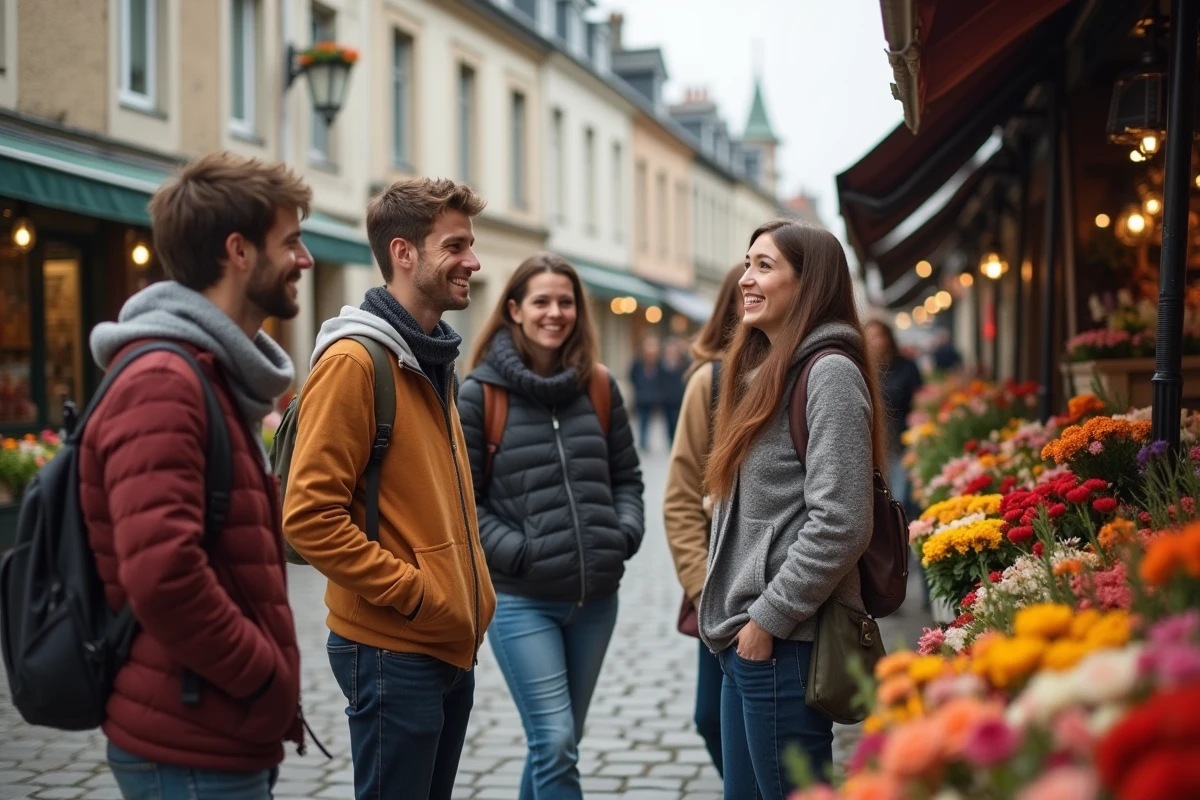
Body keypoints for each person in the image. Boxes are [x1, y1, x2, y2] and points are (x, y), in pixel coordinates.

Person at [82, 151, 311, 799]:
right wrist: (264, 678)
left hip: (212, 731)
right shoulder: (164, 381)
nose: (305, 259)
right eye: (290, 242)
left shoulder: (212, 375)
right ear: (238, 252)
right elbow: (163, 575)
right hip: (187, 741)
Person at [282, 178, 497, 800]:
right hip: (392, 648)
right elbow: (308, 516)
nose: (473, 262)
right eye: (455, 246)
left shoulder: (432, 357)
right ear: (404, 253)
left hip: (447, 643)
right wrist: (413, 594)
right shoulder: (356, 363)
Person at [699, 220, 886, 797]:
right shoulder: (764, 369)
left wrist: (769, 619)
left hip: (786, 641)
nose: (746, 280)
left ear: (809, 284)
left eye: (764, 266)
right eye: (747, 263)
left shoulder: (827, 373)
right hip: (745, 636)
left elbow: (843, 521)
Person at [457, 253, 644, 800]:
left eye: (565, 302)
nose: (554, 313)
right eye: (541, 301)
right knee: (557, 739)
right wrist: (518, 552)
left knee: (557, 742)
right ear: (514, 309)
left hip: (594, 599)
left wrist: (623, 535)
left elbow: (627, 479)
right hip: (522, 599)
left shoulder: (601, 387)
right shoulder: (480, 394)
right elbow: (465, 504)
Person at [663, 263, 745, 776]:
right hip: (719, 589)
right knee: (711, 718)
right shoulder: (710, 383)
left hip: (784, 599)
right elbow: (679, 499)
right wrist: (702, 590)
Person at [628, 335, 664, 450]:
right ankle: (643, 441)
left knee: (649, 420)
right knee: (642, 419)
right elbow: (632, 376)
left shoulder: (659, 363)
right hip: (641, 396)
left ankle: (645, 440)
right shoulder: (637, 363)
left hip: (653, 397)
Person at [659, 337, 689, 443]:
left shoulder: (683, 364)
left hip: (678, 398)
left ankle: (675, 440)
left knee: (676, 420)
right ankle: (671, 439)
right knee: (668, 423)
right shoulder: (661, 365)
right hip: (666, 400)